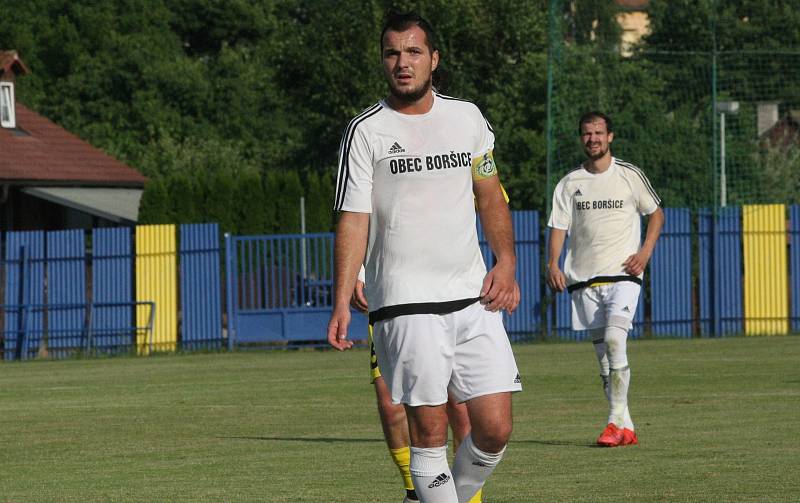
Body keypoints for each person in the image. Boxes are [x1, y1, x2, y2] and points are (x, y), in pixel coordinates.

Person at [327, 11, 522, 502]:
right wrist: (339, 298)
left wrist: (506, 261)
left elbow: (490, 194)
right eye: (392, 53)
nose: (402, 62)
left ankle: (428, 497)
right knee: (429, 430)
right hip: (405, 301)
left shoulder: (468, 118)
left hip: (472, 295)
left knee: (494, 429)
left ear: (434, 59)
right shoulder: (366, 131)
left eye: (413, 52)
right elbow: (353, 217)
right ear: (383, 62)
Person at [546, 111, 664, 447]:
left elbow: (656, 213)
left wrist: (645, 253)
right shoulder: (569, 183)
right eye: (587, 134)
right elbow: (558, 227)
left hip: (624, 275)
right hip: (584, 281)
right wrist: (552, 263)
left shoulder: (629, 175)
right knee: (604, 362)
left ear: (610, 136)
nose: (593, 139)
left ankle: (613, 422)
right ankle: (625, 426)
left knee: (615, 340)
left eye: (599, 133)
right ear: (581, 138)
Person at [351, 274, 481, 503]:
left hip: (447, 293)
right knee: (391, 408)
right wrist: (357, 275)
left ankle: (470, 498)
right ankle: (414, 493)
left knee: (459, 409)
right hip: (391, 296)